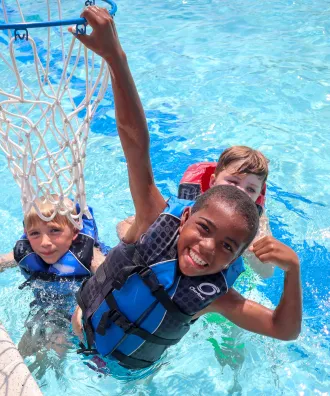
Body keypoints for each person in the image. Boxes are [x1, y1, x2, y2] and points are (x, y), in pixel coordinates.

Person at [71, 6, 302, 370]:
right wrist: (115, 58)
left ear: (238, 255)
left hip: (128, 376)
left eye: (227, 246)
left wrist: (293, 272)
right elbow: (134, 142)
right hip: (74, 332)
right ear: (185, 218)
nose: (207, 249)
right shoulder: (153, 219)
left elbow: (282, 329)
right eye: (204, 229)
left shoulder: (216, 297)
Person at [118, 145, 275, 278]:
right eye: (233, 182)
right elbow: (124, 225)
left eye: (251, 189)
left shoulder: (256, 224)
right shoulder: (188, 203)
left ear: (257, 196)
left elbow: (266, 272)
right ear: (213, 182)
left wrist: (248, 248)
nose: (241, 192)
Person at [0, 195, 106, 362]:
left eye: (54, 230)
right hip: (45, 309)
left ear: (74, 232)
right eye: (35, 233)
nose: (45, 242)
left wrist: (84, 305)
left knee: (54, 348)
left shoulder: (89, 256)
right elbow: (2, 262)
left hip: (76, 313)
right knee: (23, 351)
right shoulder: (28, 254)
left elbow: (111, 277)